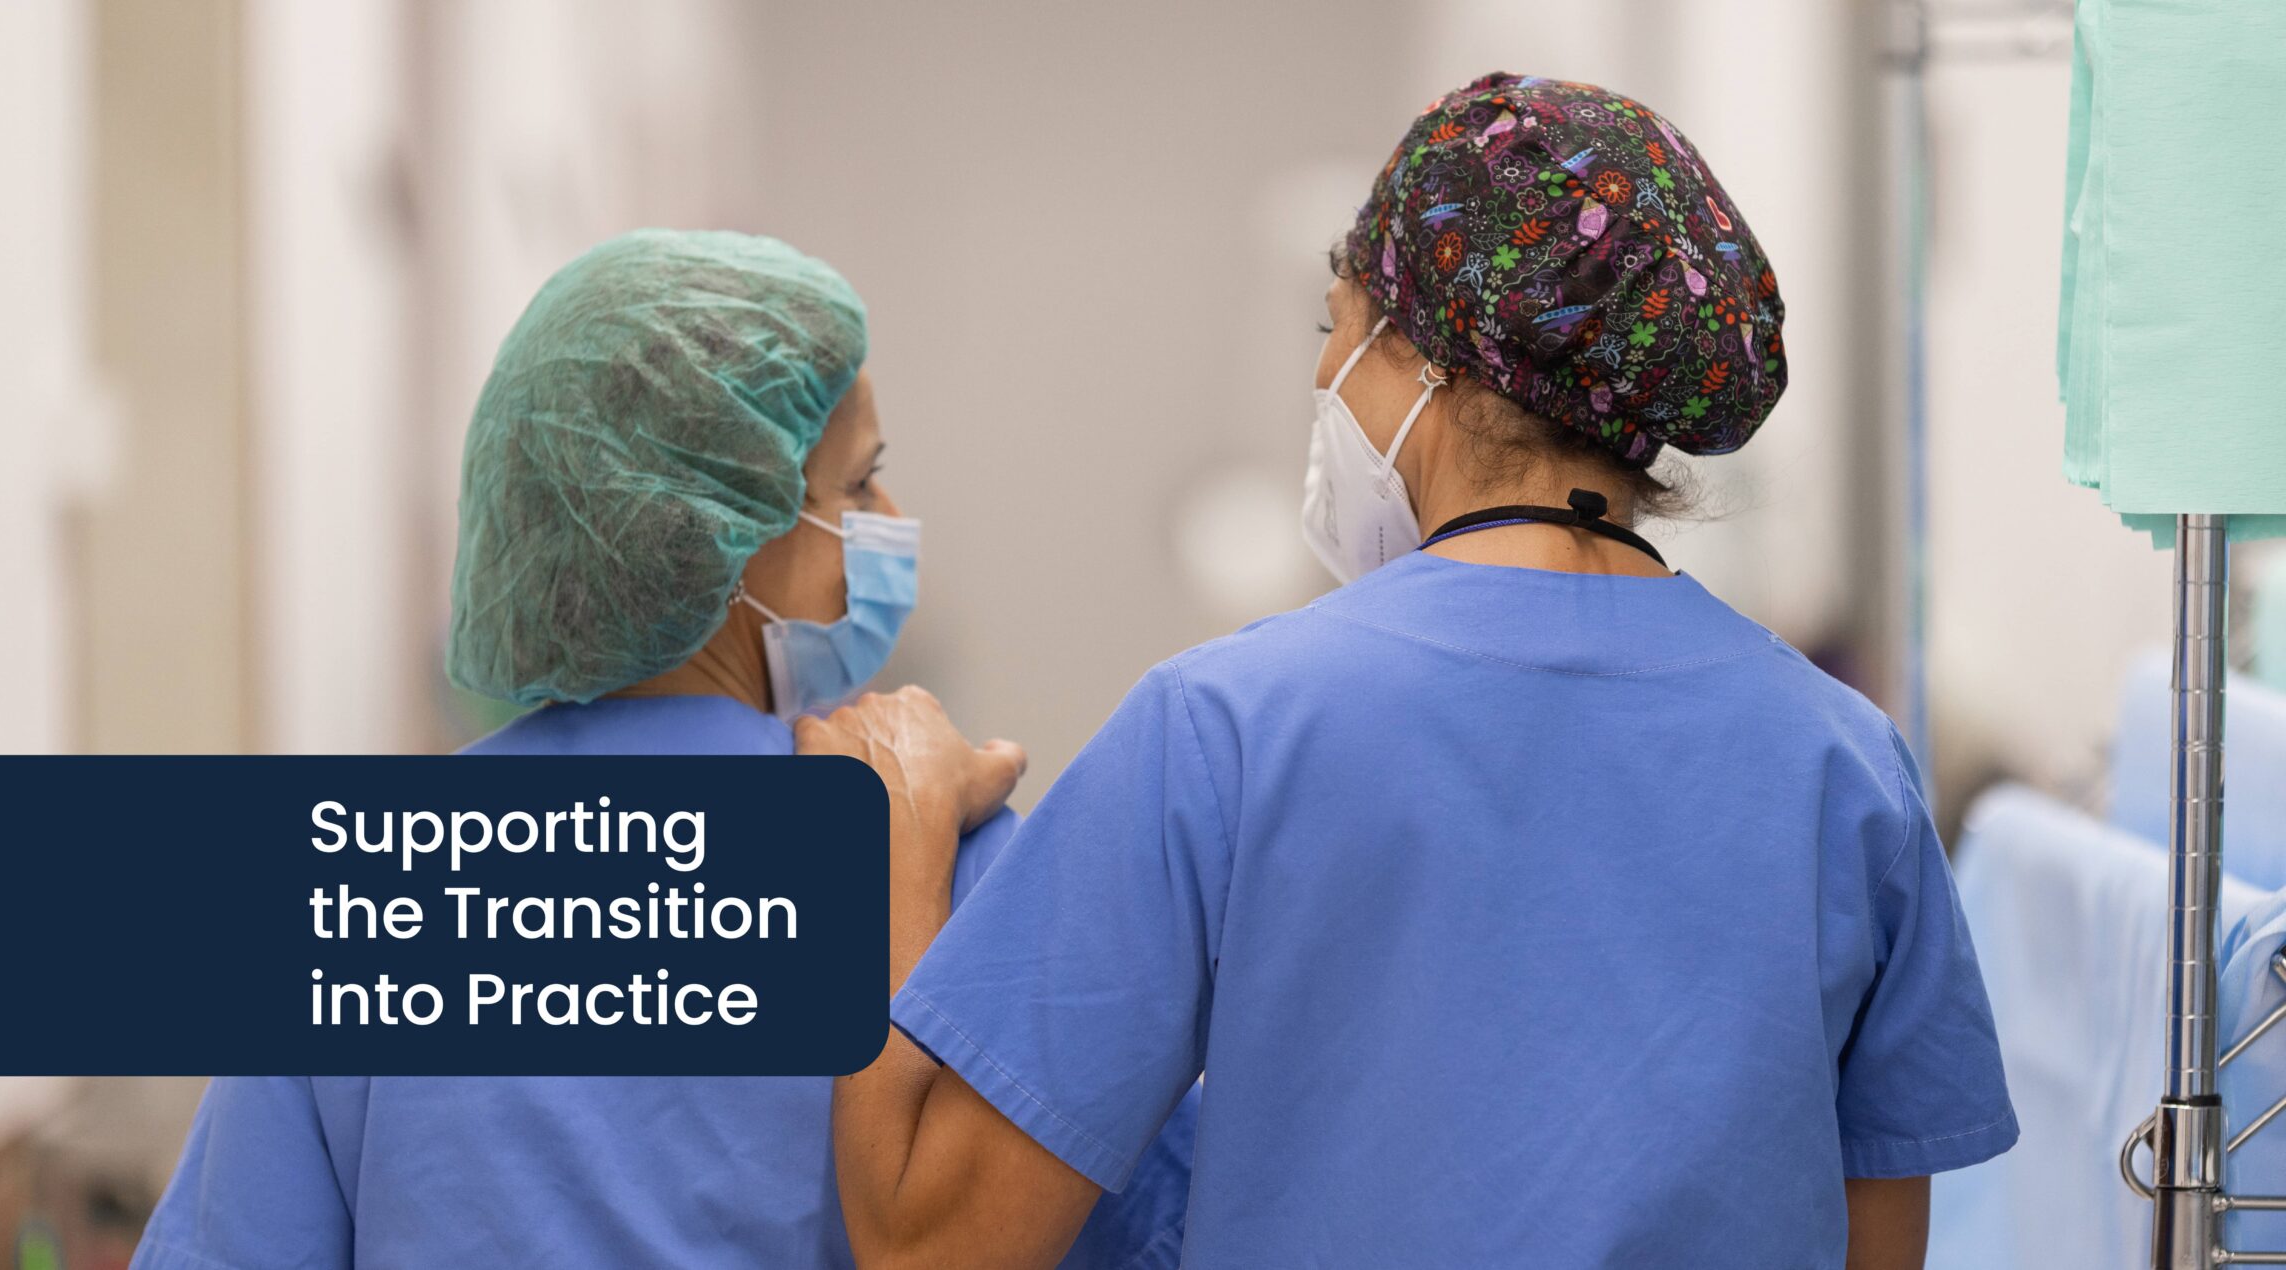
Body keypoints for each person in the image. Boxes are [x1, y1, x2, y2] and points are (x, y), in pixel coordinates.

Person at [806, 74, 2015, 1269]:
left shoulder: (1224, 730)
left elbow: (932, 1243)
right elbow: (1873, 1245)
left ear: (1422, 353)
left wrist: (892, 851)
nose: (1324, 375)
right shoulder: (1844, 765)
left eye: (1330, 326)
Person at [130, 229, 1195, 1270]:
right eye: (860, 485)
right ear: (723, 532)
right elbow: (1155, 1227)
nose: (894, 517)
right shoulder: (934, 857)